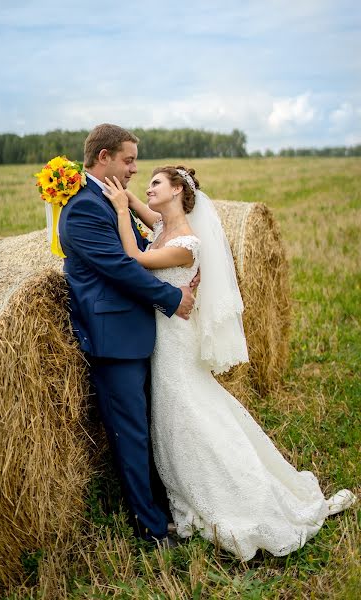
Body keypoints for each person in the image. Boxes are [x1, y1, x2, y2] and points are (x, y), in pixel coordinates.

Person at [103, 165, 356, 560]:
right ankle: (187, 497)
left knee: (189, 411)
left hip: (176, 341)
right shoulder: (164, 226)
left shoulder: (186, 242)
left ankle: (239, 495)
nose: (146, 189)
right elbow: (146, 213)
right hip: (163, 337)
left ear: (176, 192)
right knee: (174, 416)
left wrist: (119, 210)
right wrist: (122, 194)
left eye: (155, 183)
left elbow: (134, 257)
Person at [58, 124, 197, 545]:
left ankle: (162, 509)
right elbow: (120, 266)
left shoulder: (105, 199)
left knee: (146, 427)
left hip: (133, 330)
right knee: (131, 433)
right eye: (129, 159)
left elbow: (143, 247)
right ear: (104, 158)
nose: (135, 168)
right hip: (114, 337)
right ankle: (150, 530)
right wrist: (172, 298)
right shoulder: (83, 207)